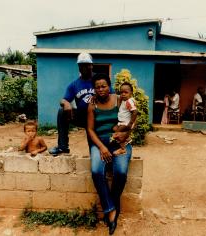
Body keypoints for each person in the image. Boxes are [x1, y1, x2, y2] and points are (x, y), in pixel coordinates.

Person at [87, 73, 132, 235]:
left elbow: (133, 117)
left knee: (120, 171)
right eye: (97, 87)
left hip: (119, 142)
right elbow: (90, 129)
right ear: (94, 89)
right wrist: (102, 147)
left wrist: (126, 134)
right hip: (99, 143)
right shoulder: (92, 105)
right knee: (96, 171)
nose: (101, 89)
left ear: (109, 86)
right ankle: (111, 209)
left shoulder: (120, 99)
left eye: (104, 86)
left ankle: (112, 202)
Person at [48, 52, 95, 156]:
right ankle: (63, 147)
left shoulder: (100, 80)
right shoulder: (74, 85)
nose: (84, 67)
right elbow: (63, 99)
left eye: (87, 64)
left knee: (94, 152)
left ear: (91, 65)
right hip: (81, 116)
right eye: (81, 65)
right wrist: (66, 103)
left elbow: (112, 96)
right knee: (62, 112)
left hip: (97, 118)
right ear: (78, 67)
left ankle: (95, 153)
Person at [111, 82, 138, 155]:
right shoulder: (124, 100)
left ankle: (122, 149)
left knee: (116, 134)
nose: (123, 94)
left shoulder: (129, 101)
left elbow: (135, 112)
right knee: (114, 129)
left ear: (131, 93)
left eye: (126, 92)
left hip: (126, 123)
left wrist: (130, 124)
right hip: (122, 122)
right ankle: (127, 139)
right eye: (121, 92)